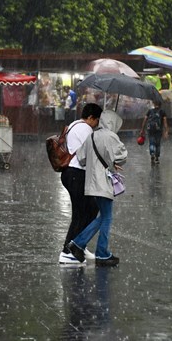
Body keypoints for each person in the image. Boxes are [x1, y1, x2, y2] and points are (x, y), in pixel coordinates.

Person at [68, 110, 128, 266]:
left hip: (91, 184)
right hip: (103, 183)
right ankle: (99, 252)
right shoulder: (111, 136)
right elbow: (122, 156)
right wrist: (112, 161)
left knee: (103, 216)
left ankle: (78, 244)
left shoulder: (92, 135)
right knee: (106, 217)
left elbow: (81, 159)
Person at [59, 103, 103, 264]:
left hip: (71, 174)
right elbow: (92, 152)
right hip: (77, 174)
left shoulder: (74, 125)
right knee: (84, 213)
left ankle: (78, 245)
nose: (97, 124)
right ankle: (68, 250)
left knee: (88, 210)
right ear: (91, 117)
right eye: (97, 120)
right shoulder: (85, 129)